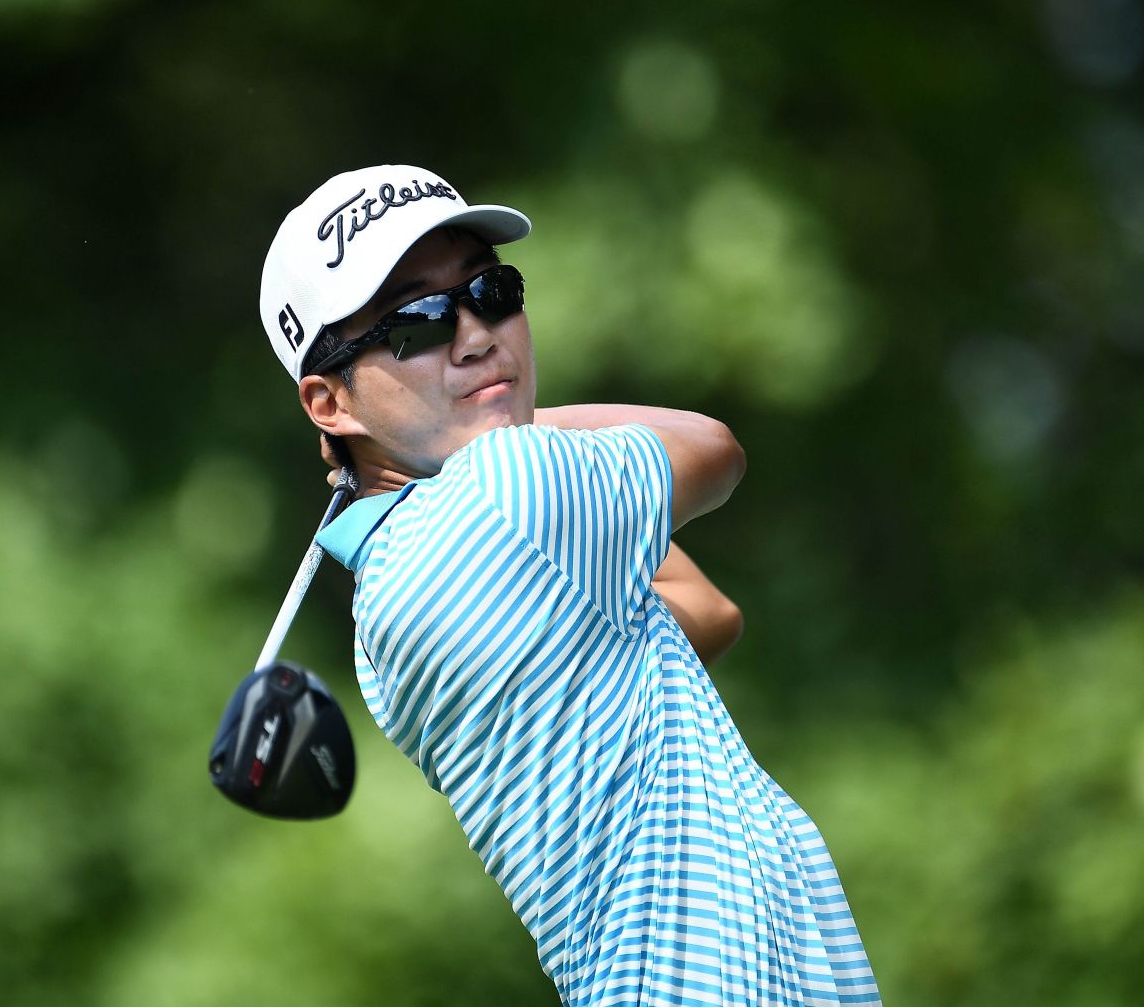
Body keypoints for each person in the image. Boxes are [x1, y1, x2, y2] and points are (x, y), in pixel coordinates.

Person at [257, 164, 881, 1006]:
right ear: (330, 403)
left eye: (492, 292)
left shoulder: (387, 601)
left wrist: (465, 419)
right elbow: (714, 448)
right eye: (416, 323)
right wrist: (500, 421)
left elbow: (707, 615)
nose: (476, 336)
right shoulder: (508, 492)